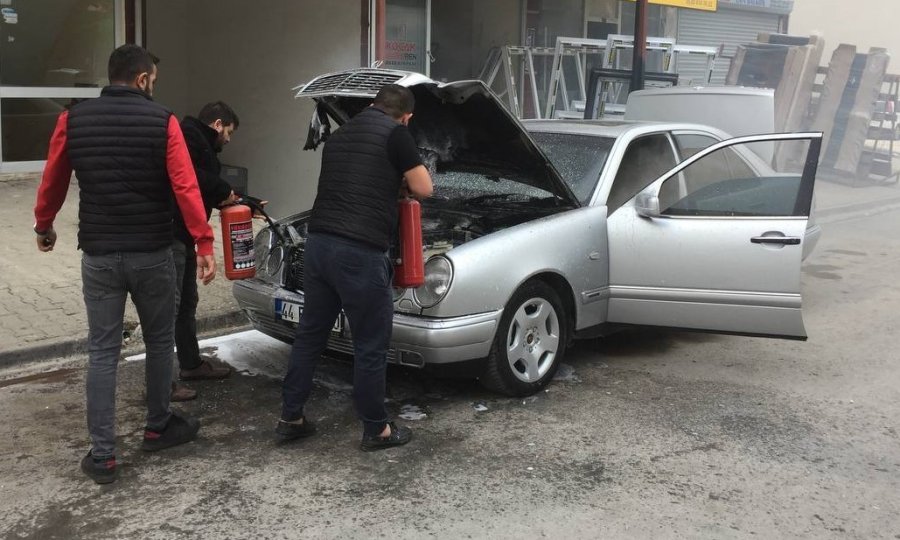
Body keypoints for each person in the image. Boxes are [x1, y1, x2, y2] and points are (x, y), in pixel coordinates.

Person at [33, 44, 216, 484]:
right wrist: (203, 241)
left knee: (102, 352)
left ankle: (103, 456)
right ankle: (157, 427)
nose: (154, 83)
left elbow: (53, 177)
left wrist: (44, 225)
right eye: (152, 77)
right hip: (152, 253)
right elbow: (185, 186)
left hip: (98, 255)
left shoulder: (72, 119)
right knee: (157, 341)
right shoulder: (163, 120)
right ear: (140, 79)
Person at [277, 84, 433, 451]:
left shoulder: (341, 135)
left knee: (311, 335)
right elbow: (424, 188)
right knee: (370, 345)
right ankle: (377, 429)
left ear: (370, 105)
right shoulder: (397, 134)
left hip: (318, 244)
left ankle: (291, 417)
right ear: (407, 117)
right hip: (359, 252)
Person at [169, 102, 241, 402]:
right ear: (217, 124)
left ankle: (191, 364)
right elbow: (190, 178)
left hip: (184, 234)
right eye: (229, 132)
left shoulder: (198, 140)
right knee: (170, 307)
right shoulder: (186, 135)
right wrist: (222, 189)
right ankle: (164, 385)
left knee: (186, 302)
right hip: (171, 235)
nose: (228, 139)